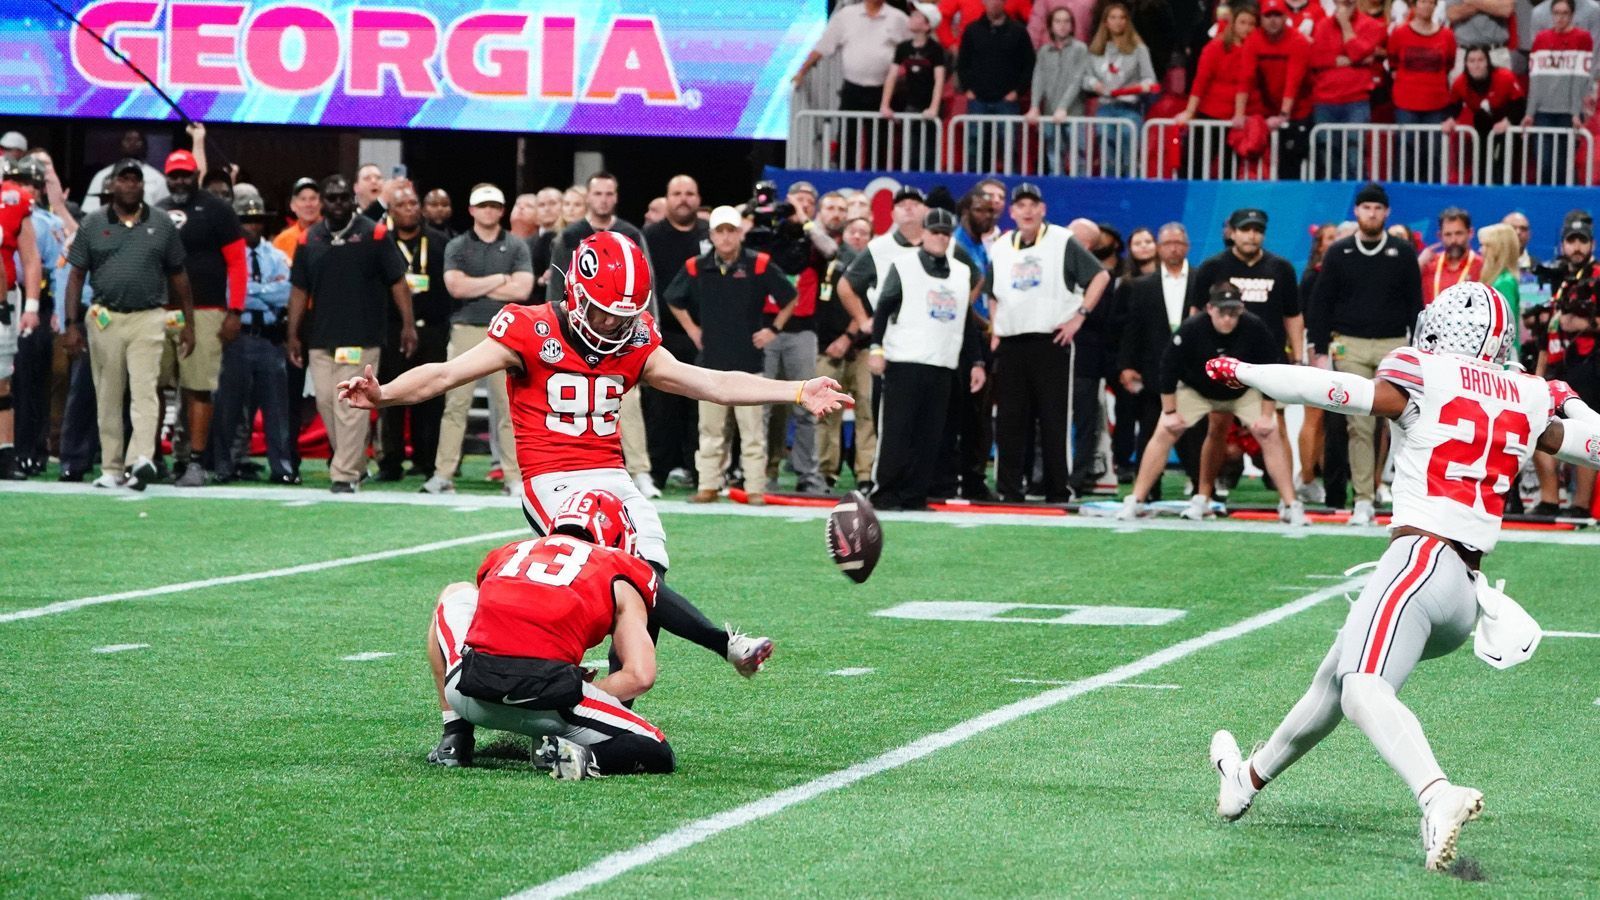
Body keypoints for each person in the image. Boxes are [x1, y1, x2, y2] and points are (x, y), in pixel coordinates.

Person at [338, 230, 852, 727]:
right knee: (624, 572)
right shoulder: (529, 328)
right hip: (551, 478)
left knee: (648, 575)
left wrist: (797, 390)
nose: (612, 325)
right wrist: (384, 394)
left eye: (624, 315)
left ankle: (613, 702)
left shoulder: (636, 340)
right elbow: (444, 374)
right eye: (605, 311)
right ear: (576, 294)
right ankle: (719, 644)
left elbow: (712, 382)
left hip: (611, 474)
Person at [1204, 281, 1600, 870]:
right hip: (1465, 596)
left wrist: (1249, 370)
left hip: (1421, 559)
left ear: (1443, 328)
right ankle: (1245, 779)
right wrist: (1568, 402)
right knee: (1335, 683)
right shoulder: (1529, 393)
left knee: (1363, 686)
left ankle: (1437, 796)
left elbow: (1335, 389)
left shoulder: (1423, 371)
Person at [427, 489, 674, 778]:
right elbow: (639, 676)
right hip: (548, 708)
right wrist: (573, 686)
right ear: (619, 539)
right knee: (656, 749)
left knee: (455, 593)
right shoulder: (615, 570)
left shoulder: (511, 552)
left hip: (468, 693)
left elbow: (495, 620)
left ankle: (455, 737)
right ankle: (579, 756)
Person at [1119, 281, 1307, 523]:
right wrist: (1170, 411)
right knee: (1165, 430)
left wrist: (1266, 414)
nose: (1227, 319)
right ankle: (1136, 500)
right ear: (1209, 309)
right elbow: (1168, 367)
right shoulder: (1191, 329)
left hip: (1243, 391)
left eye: (1233, 312)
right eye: (1222, 312)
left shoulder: (1255, 328)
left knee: (1270, 433)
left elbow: (1269, 370)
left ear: (1241, 309)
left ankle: (1291, 504)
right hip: (1198, 390)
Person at [64, 159, 192, 490]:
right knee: (107, 393)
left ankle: (141, 461)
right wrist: (71, 323)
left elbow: (179, 275)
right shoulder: (92, 223)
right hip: (104, 317)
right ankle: (111, 466)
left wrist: (188, 322)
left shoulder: (162, 223)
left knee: (145, 389)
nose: (131, 185)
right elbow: (76, 274)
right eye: (124, 179)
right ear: (112, 186)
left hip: (149, 316)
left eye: (136, 180)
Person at [285, 174, 416, 493]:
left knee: (349, 405)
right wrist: (293, 333)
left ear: (352, 200)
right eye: (332, 198)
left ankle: (343, 474)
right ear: (323, 203)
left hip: (362, 336)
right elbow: (299, 290)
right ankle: (355, 463)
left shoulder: (375, 234)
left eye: (344, 197)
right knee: (327, 404)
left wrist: (408, 325)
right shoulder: (309, 239)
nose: (338, 203)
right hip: (320, 337)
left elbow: (397, 282)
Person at [665, 207, 799, 503]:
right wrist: (691, 329)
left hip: (749, 362)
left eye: (730, 230)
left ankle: (755, 488)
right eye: (719, 231)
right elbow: (673, 298)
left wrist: (773, 330)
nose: (725, 237)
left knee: (752, 432)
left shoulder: (760, 264)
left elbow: (790, 296)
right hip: (710, 364)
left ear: (740, 233)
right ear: (711, 235)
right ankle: (708, 485)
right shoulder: (695, 266)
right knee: (710, 431)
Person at [987, 183, 1111, 502]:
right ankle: (1009, 490)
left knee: (1054, 418)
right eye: (1021, 206)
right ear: (1012, 212)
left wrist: (1079, 315)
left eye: (1033, 205)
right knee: (1010, 421)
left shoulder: (1061, 240)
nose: (1027, 211)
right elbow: (993, 292)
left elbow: (1100, 276)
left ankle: (1059, 489)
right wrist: (997, 328)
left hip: (1050, 340)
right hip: (1012, 342)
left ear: (1043, 210)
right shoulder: (1001, 246)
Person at [1307, 183, 1423, 523]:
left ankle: (1407, 497)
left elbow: (1415, 304)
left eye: (1377, 208)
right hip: (1350, 343)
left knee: (1406, 423)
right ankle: (1363, 499)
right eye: (1366, 207)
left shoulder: (1402, 252)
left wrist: (1419, 349)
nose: (1371, 213)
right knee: (1358, 422)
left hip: (1394, 345)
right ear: (1356, 212)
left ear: (1386, 213)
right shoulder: (1339, 252)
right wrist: (1318, 349)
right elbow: (1321, 303)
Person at [867, 208, 986, 510]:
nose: (941, 238)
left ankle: (914, 495)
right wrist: (876, 348)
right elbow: (883, 308)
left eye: (946, 233)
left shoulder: (961, 272)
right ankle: (884, 494)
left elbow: (967, 322)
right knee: (896, 432)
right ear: (924, 234)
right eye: (935, 232)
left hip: (943, 364)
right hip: (904, 361)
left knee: (930, 437)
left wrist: (977, 362)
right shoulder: (904, 265)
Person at [422, 184, 531, 495]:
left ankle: (513, 476)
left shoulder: (516, 246)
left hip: (505, 331)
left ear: (502, 210)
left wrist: (476, 286)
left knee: (509, 406)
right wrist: (499, 280)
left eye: (494, 206)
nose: (489, 211)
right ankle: (443, 474)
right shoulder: (457, 245)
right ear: (471, 210)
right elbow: (455, 288)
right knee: (455, 403)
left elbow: (522, 290)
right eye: (483, 206)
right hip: (466, 328)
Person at [156, 148, 247, 487]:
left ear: (196, 175)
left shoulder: (217, 209)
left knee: (198, 388)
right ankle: (154, 460)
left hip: (208, 310)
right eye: (174, 174)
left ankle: (195, 461)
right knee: (154, 387)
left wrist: (235, 310)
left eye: (185, 173)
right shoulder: (157, 210)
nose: (180, 180)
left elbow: (238, 262)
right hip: (161, 310)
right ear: (167, 176)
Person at [210, 192, 295, 485]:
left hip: (270, 339)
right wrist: (263, 292)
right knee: (228, 408)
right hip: (237, 338)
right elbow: (228, 294)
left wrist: (250, 291)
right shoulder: (225, 258)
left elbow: (286, 294)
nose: (251, 226)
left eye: (256, 220)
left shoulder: (277, 256)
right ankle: (224, 465)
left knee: (276, 410)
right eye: (245, 220)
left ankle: (282, 468)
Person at [375, 186, 450, 482]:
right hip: (392, 329)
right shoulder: (382, 242)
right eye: (401, 204)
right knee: (390, 395)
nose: (408, 208)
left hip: (432, 328)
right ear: (391, 211)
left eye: (412, 203)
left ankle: (427, 460)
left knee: (431, 395)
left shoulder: (440, 242)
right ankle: (390, 462)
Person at [641, 175, 709, 492]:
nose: (684, 199)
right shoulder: (649, 237)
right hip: (662, 335)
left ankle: (701, 473)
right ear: (667, 199)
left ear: (698, 199)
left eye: (690, 193)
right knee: (660, 411)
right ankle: (657, 472)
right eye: (677, 193)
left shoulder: (710, 236)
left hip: (704, 337)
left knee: (702, 408)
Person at [1118, 223, 1196, 499]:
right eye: (1168, 243)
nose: (1174, 247)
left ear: (1187, 247)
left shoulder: (1200, 281)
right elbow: (1133, 330)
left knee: (1196, 433)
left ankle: (1201, 489)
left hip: (1194, 372)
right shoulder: (1142, 286)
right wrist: (1127, 365)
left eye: (1179, 242)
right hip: (1155, 373)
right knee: (1150, 432)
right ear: (1159, 249)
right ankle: (1148, 488)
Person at [793, 0, 911, 169]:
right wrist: (801, 72)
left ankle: (875, 175)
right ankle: (844, 175)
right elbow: (823, 47)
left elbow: (913, 47)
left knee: (879, 139)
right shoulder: (846, 15)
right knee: (848, 136)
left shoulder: (897, 18)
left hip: (883, 91)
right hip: (852, 88)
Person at [816, 216, 878, 491]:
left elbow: (867, 306)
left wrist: (848, 337)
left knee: (867, 408)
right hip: (828, 347)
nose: (858, 237)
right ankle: (825, 471)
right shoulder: (830, 263)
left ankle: (866, 473)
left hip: (863, 346)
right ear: (843, 235)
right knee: (825, 409)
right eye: (853, 231)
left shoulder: (877, 265)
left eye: (864, 233)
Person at [1309, 0, 1387, 180]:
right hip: (1325, 100)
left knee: (1355, 157)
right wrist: (1345, 60)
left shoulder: (1373, 25)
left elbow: (1356, 52)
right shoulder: (1321, 25)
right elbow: (1314, 59)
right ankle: (1332, 203)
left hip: (1356, 100)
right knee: (1328, 159)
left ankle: (1361, 203)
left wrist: (1345, 25)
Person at [0, 158, 43, 480]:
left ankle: (5, 454)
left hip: (4, 299)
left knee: (2, 380)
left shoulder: (13, 200)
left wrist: (31, 306)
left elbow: (30, 259)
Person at [957, 0, 1036, 168]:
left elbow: (1029, 65)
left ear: (1004, 2)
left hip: (1007, 100)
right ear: (983, 2)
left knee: (1009, 146)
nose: (994, 4)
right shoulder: (972, 30)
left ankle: (1012, 183)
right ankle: (973, 182)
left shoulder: (1018, 31)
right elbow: (962, 63)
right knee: (974, 145)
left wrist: (1018, 91)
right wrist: (967, 89)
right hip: (978, 99)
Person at [1085, 2, 1159, 176]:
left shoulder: (1139, 49)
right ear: (1105, 22)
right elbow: (1085, 77)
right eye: (1113, 17)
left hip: (1129, 109)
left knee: (1129, 156)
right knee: (1106, 156)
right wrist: (1094, 84)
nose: (1118, 22)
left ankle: (1131, 192)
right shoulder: (1096, 50)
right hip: (1105, 107)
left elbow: (1150, 79)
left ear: (1127, 21)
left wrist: (1137, 88)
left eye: (1122, 17)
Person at [1243, 0, 1315, 178]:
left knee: (1292, 163)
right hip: (1268, 109)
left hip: (1299, 111)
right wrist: (1239, 113)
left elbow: (1294, 81)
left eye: (1277, 15)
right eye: (1268, 16)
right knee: (1262, 162)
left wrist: (1283, 115)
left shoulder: (1298, 41)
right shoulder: (1253, 40)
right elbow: (1245, 78)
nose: (1273, 20)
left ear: (1285, 18)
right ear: (1261, 18)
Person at [1524, 0, 1594, 184]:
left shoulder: (1583, 38)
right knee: (1545, 164)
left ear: (1572, 15)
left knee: (1565, 166)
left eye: (1564, 13)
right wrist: (1530, 113)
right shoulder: (1541, 39)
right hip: (1544, 113)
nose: (1560, 17)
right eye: (1556, 13)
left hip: (1568, 113)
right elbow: (1535, 79)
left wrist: (1575, 112)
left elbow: (1580, 78)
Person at [880, 3, 947, 170]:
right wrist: (885, 105)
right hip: (911, 106)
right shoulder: (903, 47)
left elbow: (939, 80)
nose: (912, 18)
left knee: (928, 152)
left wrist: (933, 108)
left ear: (927, 25)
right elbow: (892, 76)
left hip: (929, 108)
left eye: (917, 16)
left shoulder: (935, 49)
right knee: (910, 150)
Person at [1026, 7, 1091, 176]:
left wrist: (1063, 107)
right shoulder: (1044, 51)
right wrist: (1034, 106)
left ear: (1072, 26)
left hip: (1074, 113)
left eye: (1066, 21)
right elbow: (1038, 78)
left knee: (1078, 156)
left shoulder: (1081, 49)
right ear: (1051, 25)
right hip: (1049, 112)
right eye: (1058, 21)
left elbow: (1077, 80)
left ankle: (1080, 191)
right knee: (1054, 155)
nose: (1062, 25)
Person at [1445, 46, 1525, 182]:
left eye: (1480, 60)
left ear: (1487, 62)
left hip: (1508, 121)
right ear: (1466, 64)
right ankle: (1482, 188)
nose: (1476, 65)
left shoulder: (1505, 77)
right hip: (1483, 123)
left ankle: (1505, 192)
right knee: (1481, 160)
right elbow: (1454, 106)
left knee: (1505, 161)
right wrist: (1450, 119)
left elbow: (1520, 104)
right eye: (1472, 61)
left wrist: (1508, 121)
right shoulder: (1460, 83)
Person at [80, 129, 167, 213]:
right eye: (128, 140)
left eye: (138, 141)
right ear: (120, 144)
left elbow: (165, 212)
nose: (133, 144)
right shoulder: (103, 176)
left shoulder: (157, 178)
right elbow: (89, 211)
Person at [1416, 208, 1483, 305]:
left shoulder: (1482, 266)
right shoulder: (1427, 265)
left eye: (1459, 233)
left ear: (1470, 233)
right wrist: (1419, 264)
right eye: (1448, 235)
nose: (1453, 240)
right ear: (1440, 236)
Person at [273, 177, 320, 263]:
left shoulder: (333, 236)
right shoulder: (281, 241)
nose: (308, 204)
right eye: (303, 199)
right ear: (292, 205)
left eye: (313, 198)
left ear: (321, 204)